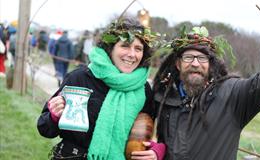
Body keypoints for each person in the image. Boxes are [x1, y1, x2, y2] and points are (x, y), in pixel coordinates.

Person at [152, 26, 260, 159]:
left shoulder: (232, 95)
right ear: (178, 64)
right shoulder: (165, 97)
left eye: (202, 58)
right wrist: (156, 151)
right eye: (188, 57)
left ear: (210, 64)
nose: (195, 63)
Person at [37, 18, 165, 160]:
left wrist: (156, 150)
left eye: (138, 48)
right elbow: (45, 128)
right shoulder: (80, 78)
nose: (132, 54)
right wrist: (54, 116)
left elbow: (145, 134)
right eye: (125, 46)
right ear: (110, 48)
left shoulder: (144, 90)